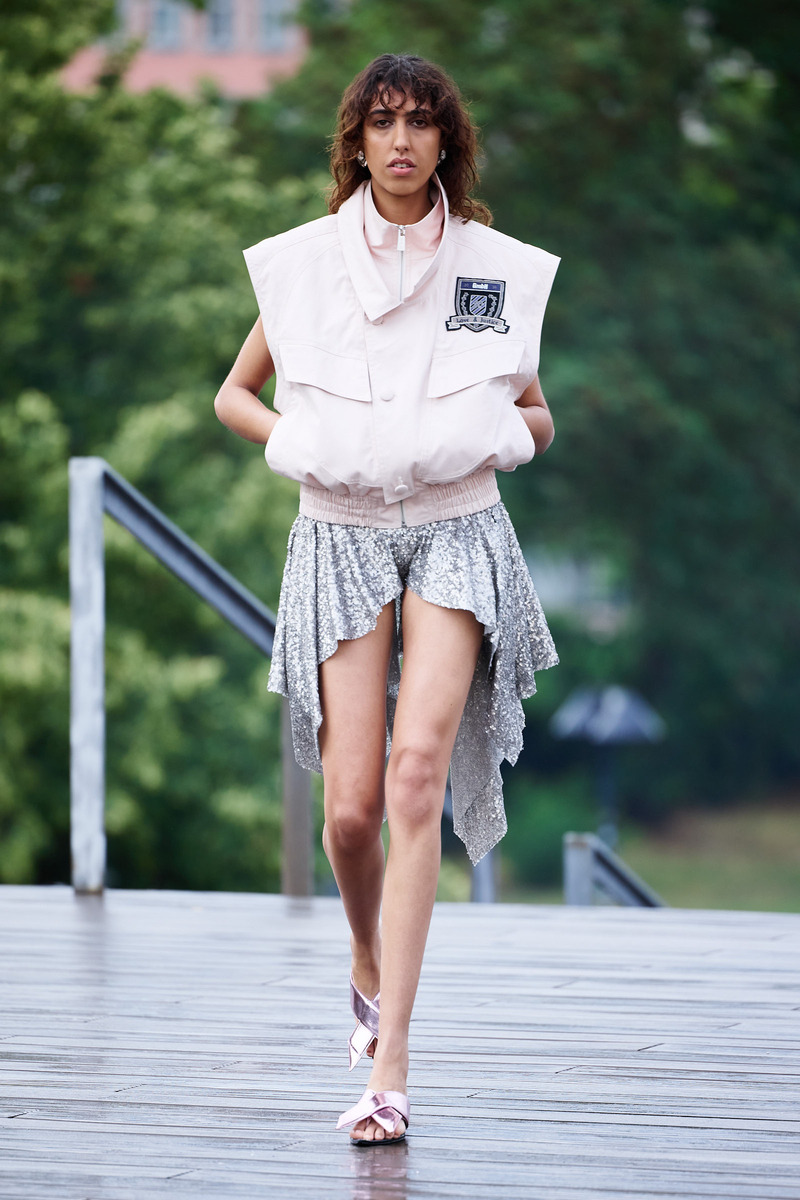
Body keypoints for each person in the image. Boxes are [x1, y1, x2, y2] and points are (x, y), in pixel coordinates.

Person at [214, 53, 559, 1147]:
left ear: (446, 139)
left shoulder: (491, 268)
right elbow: (234, 394)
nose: (401, 141)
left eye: (419, 122)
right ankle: (363, 954)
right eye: (381, 122)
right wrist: (301, 443)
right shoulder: (304, 265)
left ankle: (392, 1067)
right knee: (351, 810)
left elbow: (536, 415)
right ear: (356, 142)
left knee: (416, 779)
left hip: (458, 527)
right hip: (341, 529)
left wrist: (500, 435)